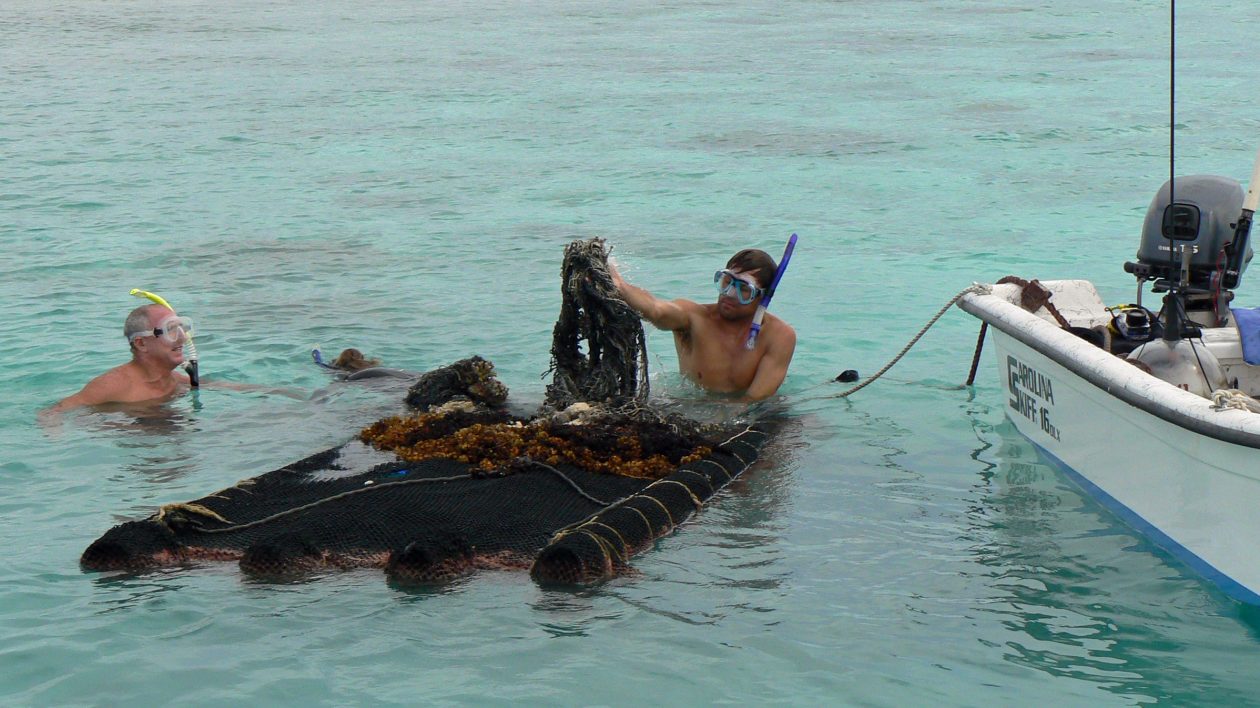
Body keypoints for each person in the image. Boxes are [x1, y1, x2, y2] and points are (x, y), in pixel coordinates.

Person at [611, 248, 796, 402]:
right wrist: (620, 285)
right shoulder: (693, 318)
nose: (730, 294)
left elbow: (754, 400)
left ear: (763, 298)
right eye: (727, 282)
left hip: (756, 417)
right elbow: (656, 310)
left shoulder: (779, 336)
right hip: (694, 407)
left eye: (744, 289)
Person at [46, 303, 196, 413]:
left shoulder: (176, 381)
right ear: (141, 343)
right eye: (170, 330)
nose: (181, 338)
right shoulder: (112, 385)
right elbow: (53, 412)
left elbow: (215, 386)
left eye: (181, 329)